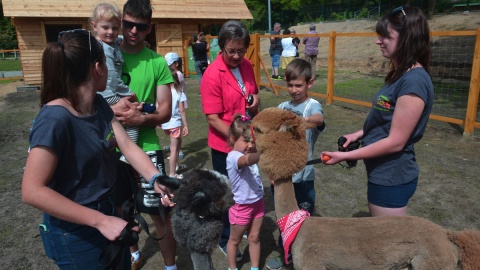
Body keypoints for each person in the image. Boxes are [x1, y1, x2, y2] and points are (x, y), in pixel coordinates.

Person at [22, 29, 174, 270]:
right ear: (98, 68)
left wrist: (154, 177)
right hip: (75, 234)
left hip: (108, 216)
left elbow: (126, 145)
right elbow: (32, 190)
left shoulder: (99, 104)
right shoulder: (54, 119)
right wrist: (101, 222)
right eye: (108, 61)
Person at [322, 6, 434, 218]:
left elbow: (396, 141)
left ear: (407, 38)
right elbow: (388, 121)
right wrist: (358, 134)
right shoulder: (402, 74)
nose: (378, 41)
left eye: (385, 36)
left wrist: (345, 156)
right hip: (384, 173)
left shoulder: (414, 81)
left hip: (392, 176)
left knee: (390, 245)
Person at [112, 0, 177, 269]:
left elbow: (165, 111)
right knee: (120, 208)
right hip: (112, 147)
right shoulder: (105, 53)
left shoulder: (157, 62)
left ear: (149, 29)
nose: (133, 31)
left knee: (160, 212)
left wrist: (141, 118)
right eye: (128, 24)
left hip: (147, 145)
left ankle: (171, 265)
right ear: (122, 22)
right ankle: (134, 252)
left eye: (140, 27)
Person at [200, 19, 261, 263]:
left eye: (240, 50)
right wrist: (238, 141)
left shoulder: (246, 65)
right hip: (224, 147)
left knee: (247, 190)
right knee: (226, 195)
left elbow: (252, 93)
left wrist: (255, 99)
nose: (236, 55)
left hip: (247, 141)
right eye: (231, 51)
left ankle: (241, 227)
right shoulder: (212, 75)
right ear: (221, 46)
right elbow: (213, 119)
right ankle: (226, 238)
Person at [266, 58, 325, 270]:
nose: (293, 90)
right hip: (283, 177)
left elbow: (318, 119)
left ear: (310, 83)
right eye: (289, 85)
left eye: (298, 85)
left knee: (303, 219)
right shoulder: (282, 106)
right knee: (285, 219)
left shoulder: (312, 105)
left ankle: (306, 257)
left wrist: (296, 123)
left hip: (303, 177)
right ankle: (286, 257)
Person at [90, 2, 142, 153]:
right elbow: (111, 77)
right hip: (108, 92)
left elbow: (118, 38)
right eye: (105, 27)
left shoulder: (111, 43)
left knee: (118, 117)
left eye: (114, 28)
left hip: (107, 91)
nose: (110, 32)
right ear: (94, 26)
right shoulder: (105, 49)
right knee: (132, 113)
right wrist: (127, 91)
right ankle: (130, 149)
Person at [226, 114, 264, 270]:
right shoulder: (234, 157)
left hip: (258, 203)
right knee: (235, 240)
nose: (250, 145)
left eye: (252, 141)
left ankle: (255, 268)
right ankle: (232, 268)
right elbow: (246, 161)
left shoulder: (250, 155)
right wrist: (264, 153)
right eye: (246, 140)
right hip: (241, 206)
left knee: (254, 237)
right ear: (232, 139)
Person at [161, 67, 189, 179]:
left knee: (179, 143)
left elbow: (159, 106)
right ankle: (172, 174)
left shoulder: (163, 92)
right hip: (175, 125)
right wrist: (186, 125)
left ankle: (176, 165)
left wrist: (159, 120)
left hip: (166, 124)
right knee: (173, 149)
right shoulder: (179, 92)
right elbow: (182, 110)